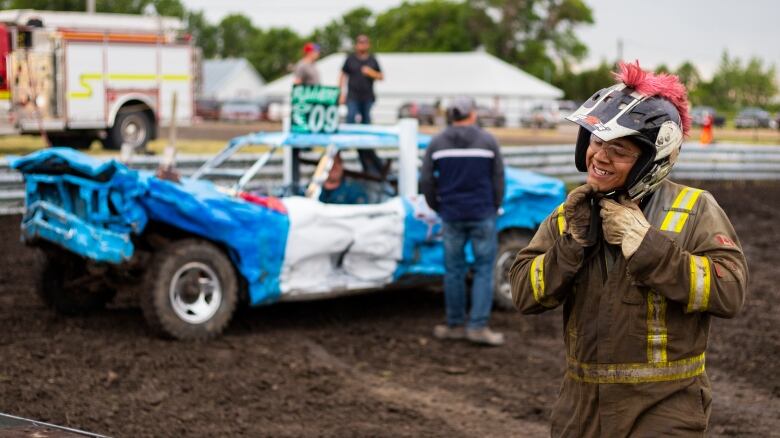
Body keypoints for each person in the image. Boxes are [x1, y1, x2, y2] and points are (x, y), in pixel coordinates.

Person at [509, 62, 748, 436]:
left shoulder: (696, 208)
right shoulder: (569, 214)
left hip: (664, 407)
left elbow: (731, 292)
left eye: (617, 150)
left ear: (651, 161)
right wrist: (570, 245)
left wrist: (649, 247)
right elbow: (524, 293)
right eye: (595, 142)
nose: (599, 157)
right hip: (580, 409)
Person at [421, 96, 506, 346]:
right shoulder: (487, 140)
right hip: (482, 214)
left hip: (451, 215)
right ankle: (478, 327)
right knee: (483, 269)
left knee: (454, 271)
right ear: (472, 114)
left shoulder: (437, 142)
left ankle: (455, 324)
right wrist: (494, 206)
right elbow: (498, 178)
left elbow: (426, 180)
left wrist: (437, 205)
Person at [338, 34, 383, 124]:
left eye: (365, 42)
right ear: (356, 45)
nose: (362, 45)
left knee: (366, 119)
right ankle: (349, 137)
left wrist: (371, 72)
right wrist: (340, 93)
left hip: (367, 96)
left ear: (368, 45)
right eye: (360, 42)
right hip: (352, 96)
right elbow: (342, 75)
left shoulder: (372, 59)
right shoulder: (350, 59)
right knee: (351, 116)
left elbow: (381, 76)